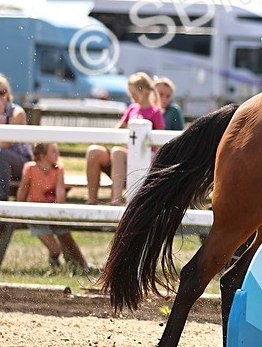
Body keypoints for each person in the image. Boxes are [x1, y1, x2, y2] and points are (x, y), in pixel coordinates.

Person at [85, 72, 165, 205]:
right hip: (125, 154)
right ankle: (91, 200)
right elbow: (119, 128)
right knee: (95, 151)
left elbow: (160, 139)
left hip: (144, 155)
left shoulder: (155, 112)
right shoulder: (132, 108)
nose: (132, 97)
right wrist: (103, 142)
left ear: (143, 91)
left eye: (134, 93)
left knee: (117, 152)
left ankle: (115, 199)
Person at [17, 142, 91, 271]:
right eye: (54, 151)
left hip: (53, 212)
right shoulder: (30, 168)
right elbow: (22, 190)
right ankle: (55, 264)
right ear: (42, 155)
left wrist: (58, 212)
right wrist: (19, 211)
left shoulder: (58, 169)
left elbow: (60, 192)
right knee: (55, 249)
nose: (58, 154)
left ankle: (82, 265)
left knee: (67, 238)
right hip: (35, 214)